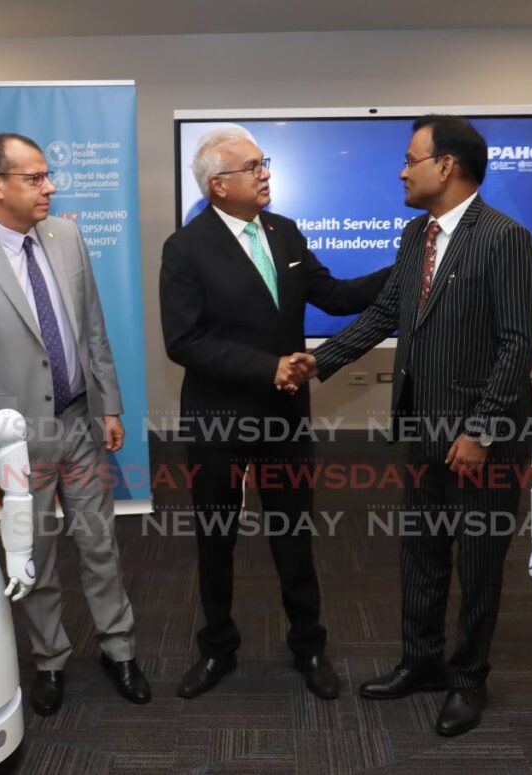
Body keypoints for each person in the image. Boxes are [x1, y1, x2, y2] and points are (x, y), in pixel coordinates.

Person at [300, 115, 532, 736]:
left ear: (448, 167)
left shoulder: (505, 238)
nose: (403, 171)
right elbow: (385, 313)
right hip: (424, 431)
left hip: (483, 442)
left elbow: (518, 347)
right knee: (422, 554)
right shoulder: (416, 236)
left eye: (412, 159)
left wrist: (481, 432)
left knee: (481, 562)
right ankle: (422, 662)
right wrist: (316, 362)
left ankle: (468, 680)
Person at [159, 125, 391, 700]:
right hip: (219, 423)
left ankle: (309, 647)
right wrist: (268, 368)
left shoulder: (285, 233)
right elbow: (183, 341)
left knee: (293, 537)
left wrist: (406, 267)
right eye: (254, 166)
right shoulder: (185, 249)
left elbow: (335, 295)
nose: (265, 173)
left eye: (266, 163)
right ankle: (217, 649)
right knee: (218, 540)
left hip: (284, 420)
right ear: (218, 185)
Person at [0, 133, 150, 715]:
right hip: (16, 441)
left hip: (80, 422)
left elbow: (94, 328)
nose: (49, 187)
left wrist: (110, 406)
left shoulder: (67, 237)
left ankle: (119, 648)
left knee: (100, 543)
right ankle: (49, 658)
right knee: (36, 554)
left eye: (48, 176)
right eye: (35, 178)